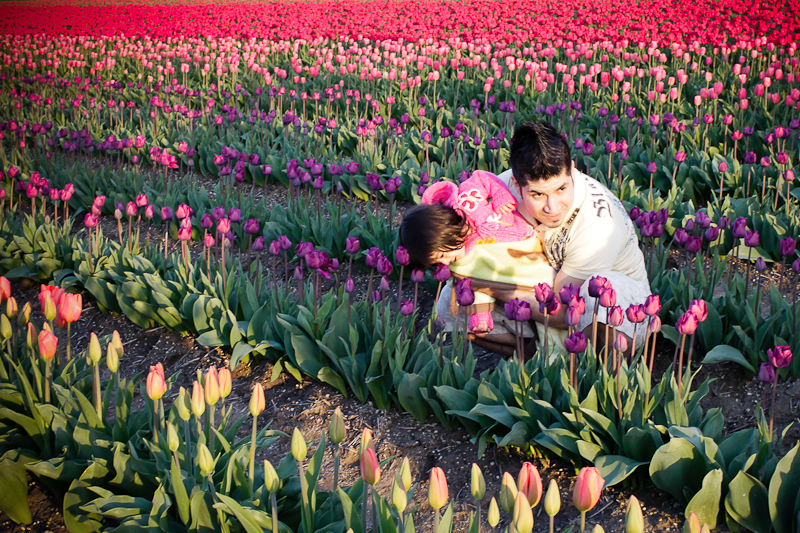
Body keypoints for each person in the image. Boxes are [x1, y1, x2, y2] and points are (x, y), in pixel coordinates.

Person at [468, 120, 650, 355]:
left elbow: (564, 312)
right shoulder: (501, 189)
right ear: (517, 184)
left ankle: (599, 368)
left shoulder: (599, 227)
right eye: (537, 194)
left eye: (561, 189)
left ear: (572, 170)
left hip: (618, 313)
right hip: (538, 288)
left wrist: (491, 286)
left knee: (603, 291)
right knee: (453, 300)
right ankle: (540, 361)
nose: (552, 207)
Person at [400, 170, 539, 332]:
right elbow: (477, 288)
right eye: (438, 262)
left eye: (442, 255)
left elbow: (482, 177)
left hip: (529, 232)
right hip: (518, 268)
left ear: (446, 233)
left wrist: (501, 198)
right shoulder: (465, 260)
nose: (445, 262)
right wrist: (480, 316)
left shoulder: (466, 204)